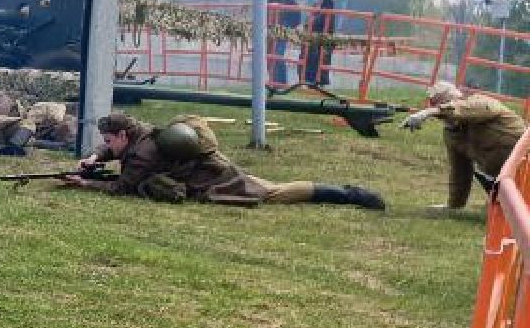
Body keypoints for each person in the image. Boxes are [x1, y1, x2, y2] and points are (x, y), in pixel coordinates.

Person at [59, 113, 384, 209]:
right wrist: (94, 157)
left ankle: (350, 195)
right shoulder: (140, 132)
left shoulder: (143, 155)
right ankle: (348, 193)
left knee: (275, 193)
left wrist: (85, 184)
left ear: (123, 135)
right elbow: (112, 153)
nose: (106, 145)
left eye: (108, 140)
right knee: (274, 189)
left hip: (216, 178)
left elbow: (122, 188)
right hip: (213, 168)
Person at [404, 82, 527, 210]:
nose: (441, 115)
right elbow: (460, 172)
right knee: (501, 210)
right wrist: (454, 205)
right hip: (506, 179)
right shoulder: (452, 134)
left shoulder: (482, 103)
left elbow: (462, 108)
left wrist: (429, 112)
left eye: (440, 105)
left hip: (525, 167)